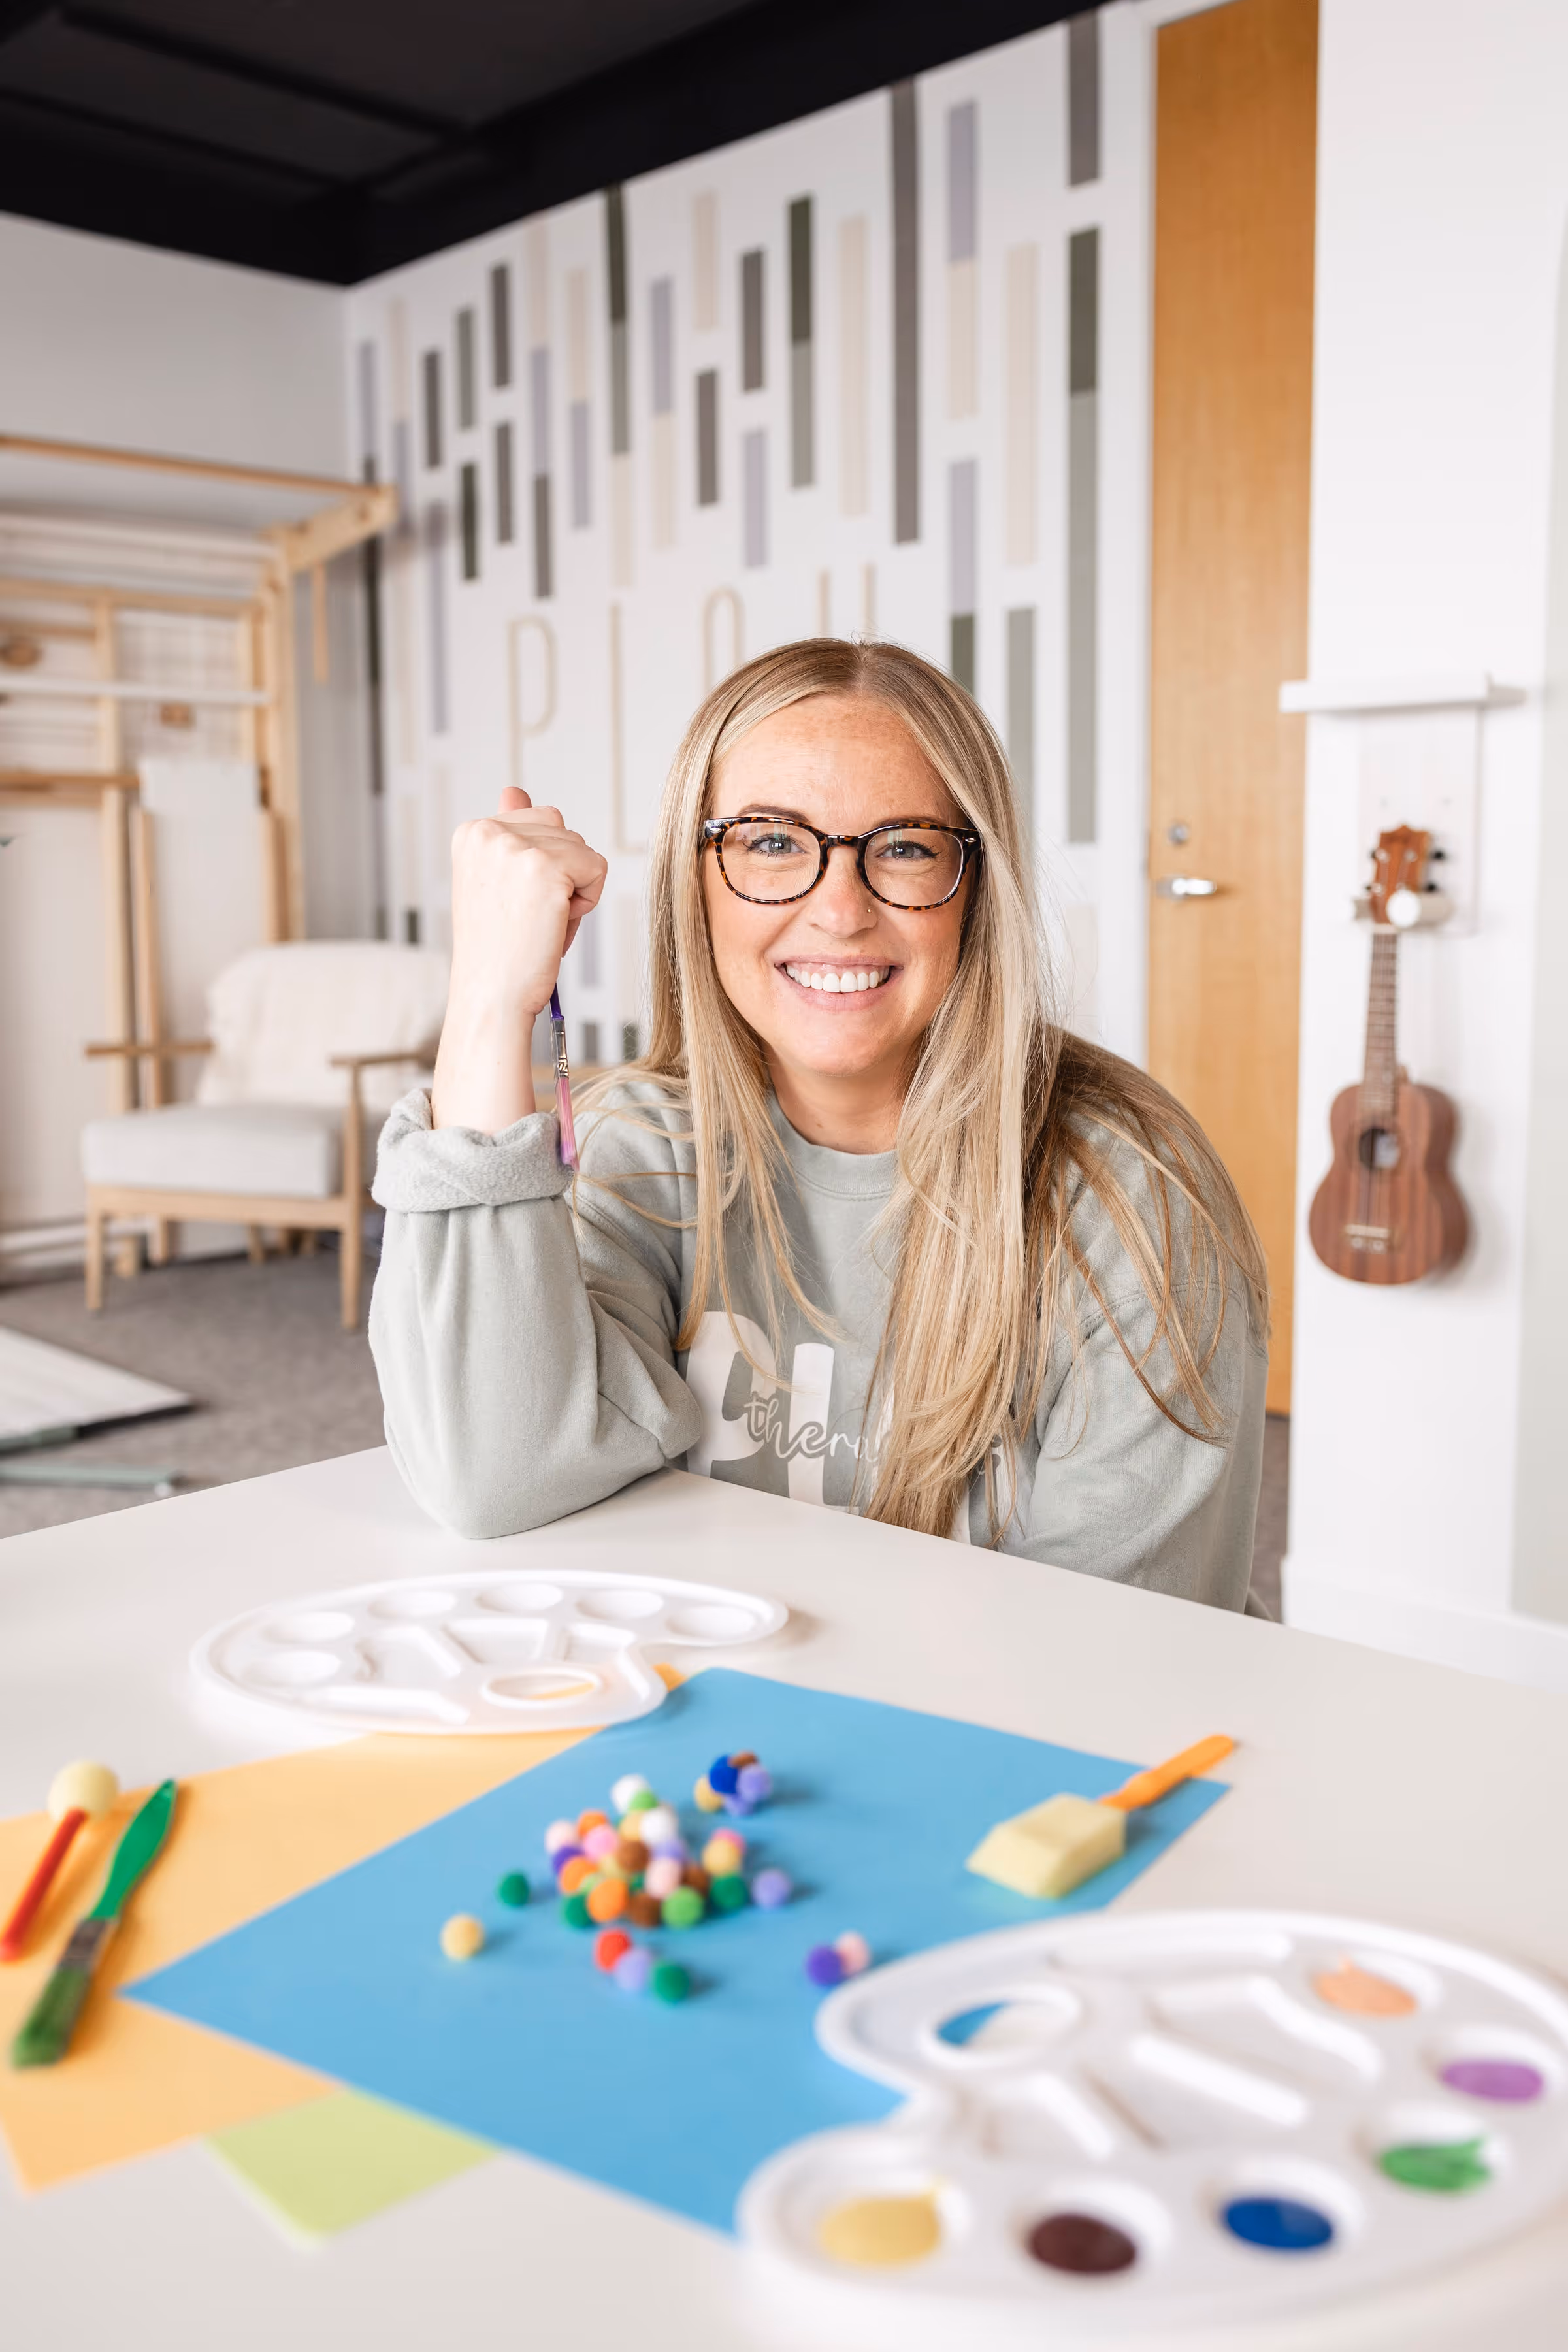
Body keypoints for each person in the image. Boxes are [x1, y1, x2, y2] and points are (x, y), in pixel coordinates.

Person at [370, 638, 1269, 1610]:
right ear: (695, 878)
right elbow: (491, 1476)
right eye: (770, 841)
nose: (840, 911)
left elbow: (1119, 1651)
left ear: (974, 890)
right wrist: (490, 1003)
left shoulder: (1132, 1199)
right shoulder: (639, 1153)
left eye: (908, 846)